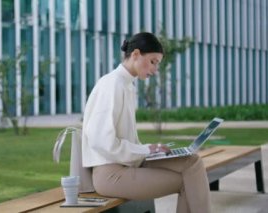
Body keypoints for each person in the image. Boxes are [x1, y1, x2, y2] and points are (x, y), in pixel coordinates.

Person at [81, 32, 211, 213]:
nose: (155, 70)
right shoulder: (111, 85)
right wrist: (146, 149)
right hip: (111, 174)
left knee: (192, 162)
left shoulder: (126, 84)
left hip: (129, 163)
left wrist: (151, 149)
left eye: (157, 63)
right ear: (135, 54)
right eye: (153, 61)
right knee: (187, 182)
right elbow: (100, 141)